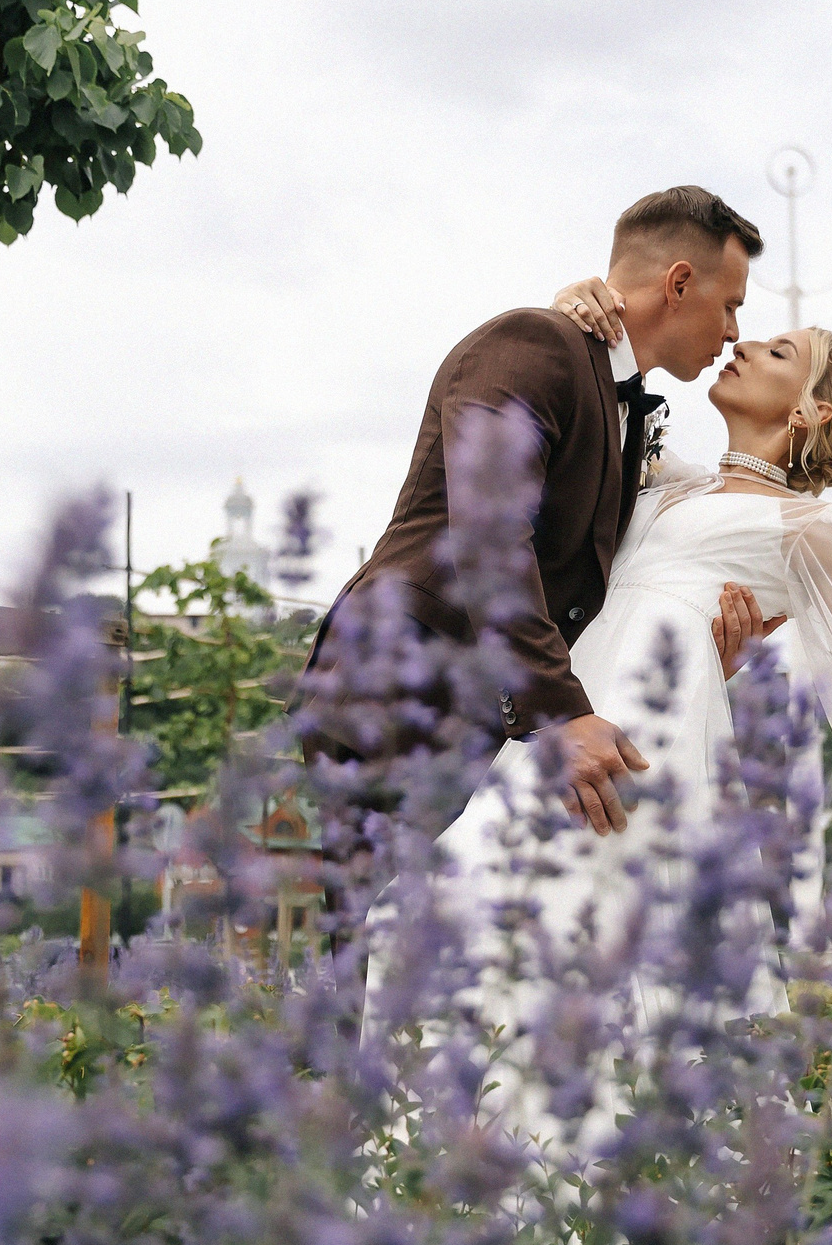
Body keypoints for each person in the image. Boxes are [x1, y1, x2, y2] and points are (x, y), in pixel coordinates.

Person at [423, 280, 832, 1025]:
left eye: (775, 351)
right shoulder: (664, 485)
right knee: (465, 911)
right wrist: (577, 318)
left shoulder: (818, 529)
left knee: (569, 940)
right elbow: (570, 448)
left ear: (811, 409)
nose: (740, 344)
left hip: (644, 740)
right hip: (568, 717)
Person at [295, 187, 778, 858]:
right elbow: (489, 537)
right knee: (382, 942)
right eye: (730, 305)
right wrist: (561, 713)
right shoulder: (533, 344)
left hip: (483, 718)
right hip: (401, 692)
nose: (732, 331)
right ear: (678, 282)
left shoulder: (628, 408)